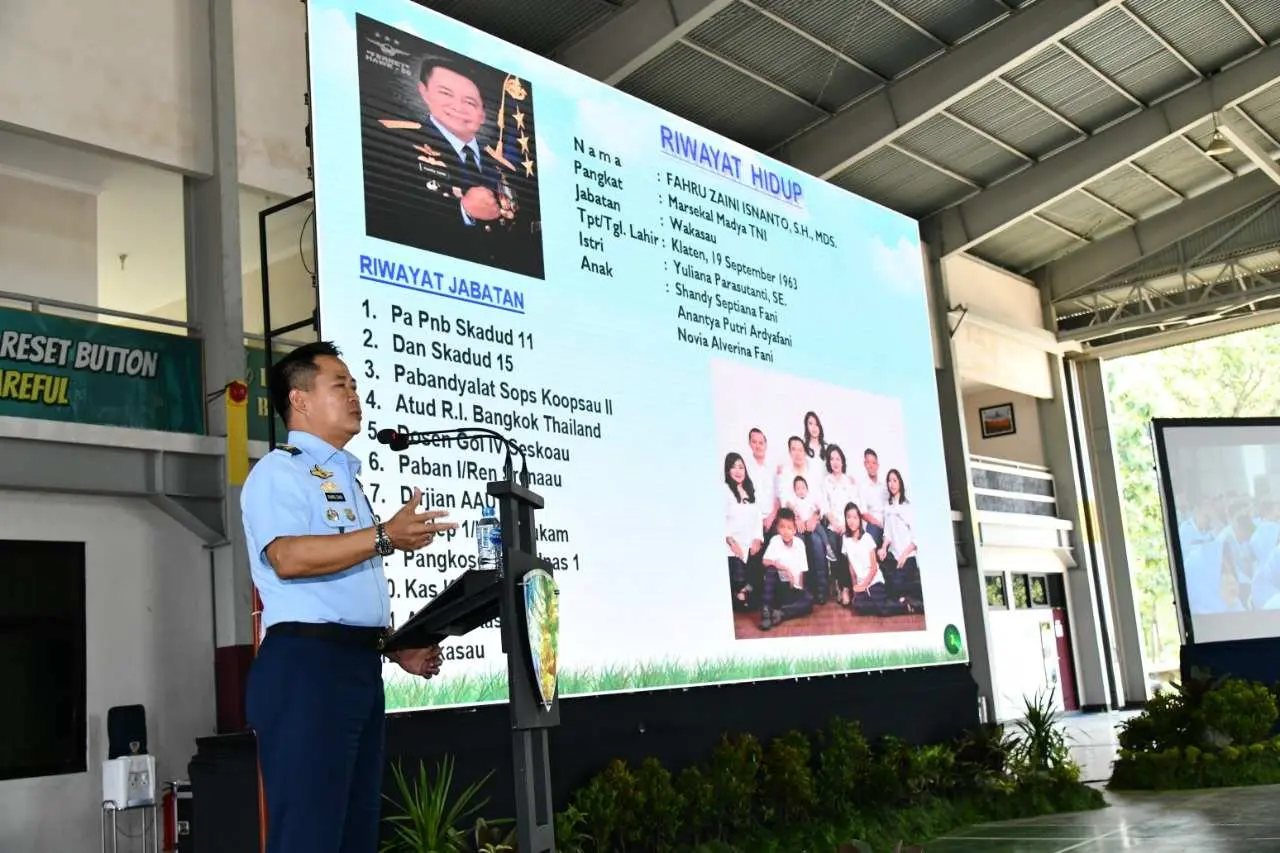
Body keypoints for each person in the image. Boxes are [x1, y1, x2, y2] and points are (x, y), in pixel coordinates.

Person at [241, 341, 457, 853]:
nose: (354, 395)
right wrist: (384, 536)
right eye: (340, 385)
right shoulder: (280, 471)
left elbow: (344, 586)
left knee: (354, 836)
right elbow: (288, 558)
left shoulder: (348, 479)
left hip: (356, 670)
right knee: (310, 838)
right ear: (301, 399)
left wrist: (391, 645)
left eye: (355, 385)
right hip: (306, 670)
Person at [362, 52, 544, 278]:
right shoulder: (393, 143)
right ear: (424, 92)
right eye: (445, 93)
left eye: (470, 102)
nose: (458, 107)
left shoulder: (506, 168)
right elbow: (383, 214)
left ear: (483, 114)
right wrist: (463, 210)